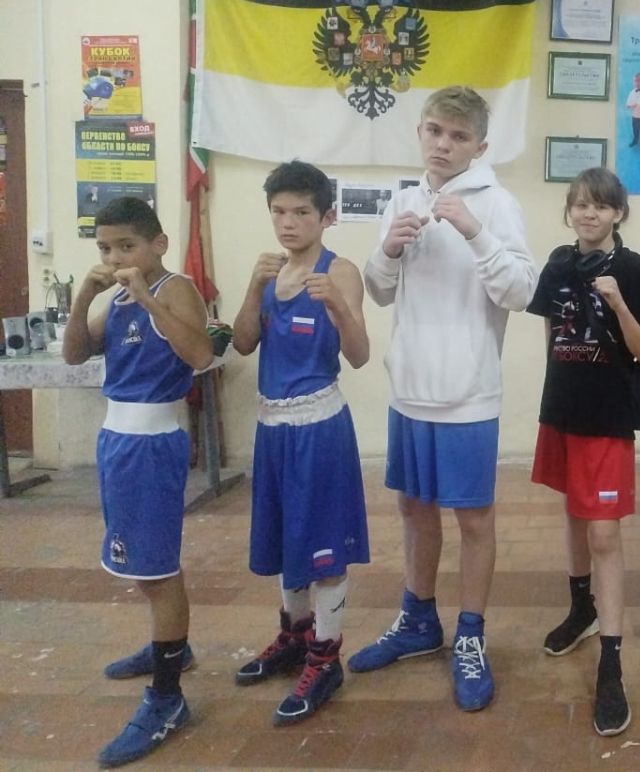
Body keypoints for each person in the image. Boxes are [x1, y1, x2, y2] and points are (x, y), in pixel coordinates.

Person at [350, 86, 536, 712]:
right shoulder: (403, 200)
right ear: (421, 132)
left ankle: (471, 635)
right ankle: (418, 619)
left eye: (457, 136)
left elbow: (521, 291)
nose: (442, 144)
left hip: (467, 394)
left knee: (474, 520)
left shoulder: (498, 204)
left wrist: (475, 233)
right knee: (413, 508)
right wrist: (387, 248)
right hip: (410, 388)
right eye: (434, 130)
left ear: (479, 146)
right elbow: (378, 290)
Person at [61, 196, 213, 767]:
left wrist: (148, 298)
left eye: (126, 245)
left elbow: (200, 354)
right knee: (140, 562)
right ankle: (172, 648)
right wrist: (85, 296)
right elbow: (75, 355)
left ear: (157, 244)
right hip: (117, 440)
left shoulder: (175, 289)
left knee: (156, 570)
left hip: (153, 442)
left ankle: (168, 697)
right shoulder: (117, 298)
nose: (114, 257)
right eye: (105, 248)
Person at [230, 161, 371, 726]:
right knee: (285, 537)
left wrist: (336, 304)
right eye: (279, 212)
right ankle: (295, 635)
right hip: (273, 428)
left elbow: (359, 354)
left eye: (301, 212)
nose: (288, 223)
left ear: (326, 216)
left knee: (324, 546)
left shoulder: (342, 271)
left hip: (320, 428)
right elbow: (243, 344)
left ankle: (326, 657)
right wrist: (252, 287)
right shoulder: (268, 272)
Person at [531, 167, 640, 736]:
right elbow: (551, 332)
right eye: (581, 204)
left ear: (617, 213)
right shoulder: (558, 263)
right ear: (570, 210)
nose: (589, 213)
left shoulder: (633, 269)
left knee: (604, 533)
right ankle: (581, 607)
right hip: (563, 408)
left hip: (608, 416)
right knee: (574, 512)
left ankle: (611, 661)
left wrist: (619, 303)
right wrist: (555, 393)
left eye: (600, 206)